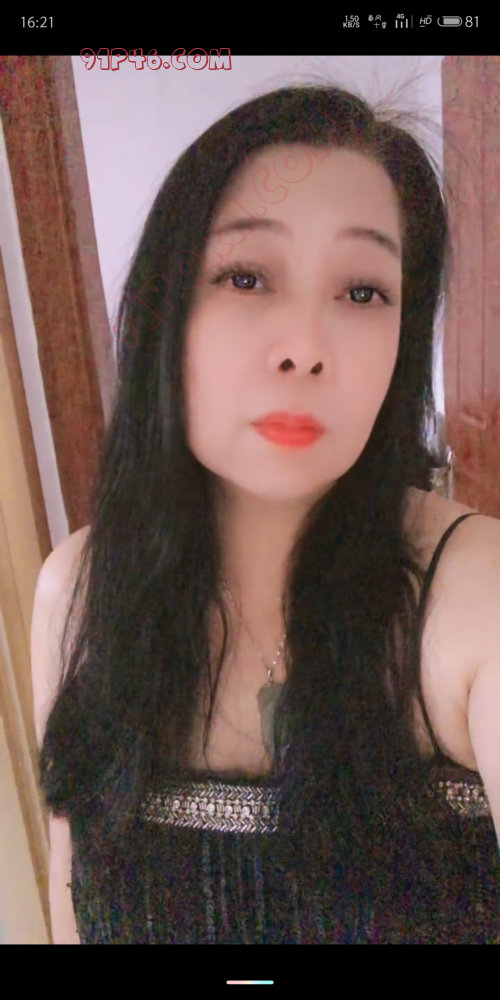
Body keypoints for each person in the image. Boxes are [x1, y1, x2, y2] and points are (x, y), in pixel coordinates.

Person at [31, 83, 500, 945]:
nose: (306, 347)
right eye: (246, 277)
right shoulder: (79, 596)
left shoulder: (473, 600)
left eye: (364, 292)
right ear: (165, 311)